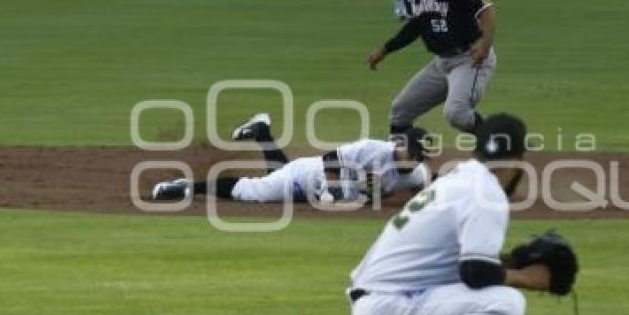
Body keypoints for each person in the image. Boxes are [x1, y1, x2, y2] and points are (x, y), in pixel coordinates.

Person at [347, 114, 557, 315]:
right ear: (519, 159)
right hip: (389, 312)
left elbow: (463, 264)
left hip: (385, 304)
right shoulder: (486, 192)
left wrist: (512, 262)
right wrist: (529, 277)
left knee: (493, 295)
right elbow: (476, 274)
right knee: (505, 304)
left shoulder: (461, 178)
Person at [366, 0, 497, 135]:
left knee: (457, 114)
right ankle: (405, 163)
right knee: (400, 112)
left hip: (468, 58)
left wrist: (485, 45)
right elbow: (416, 26)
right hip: (441, 62)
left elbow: (487, 9)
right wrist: (385, 49)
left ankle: (503, 140)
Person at [150, 112, 432, 204]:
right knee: (253, 192)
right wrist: (333, 189)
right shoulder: (373, 149)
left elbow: (432, 190)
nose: (415, 160)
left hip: (312, 185)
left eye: (420, 157)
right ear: (400, 143)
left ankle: (261, 131)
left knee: (279, 173)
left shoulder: (416, 173)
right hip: (308, 177)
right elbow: (331, 157)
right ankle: (186, 186)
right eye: (413, 153)